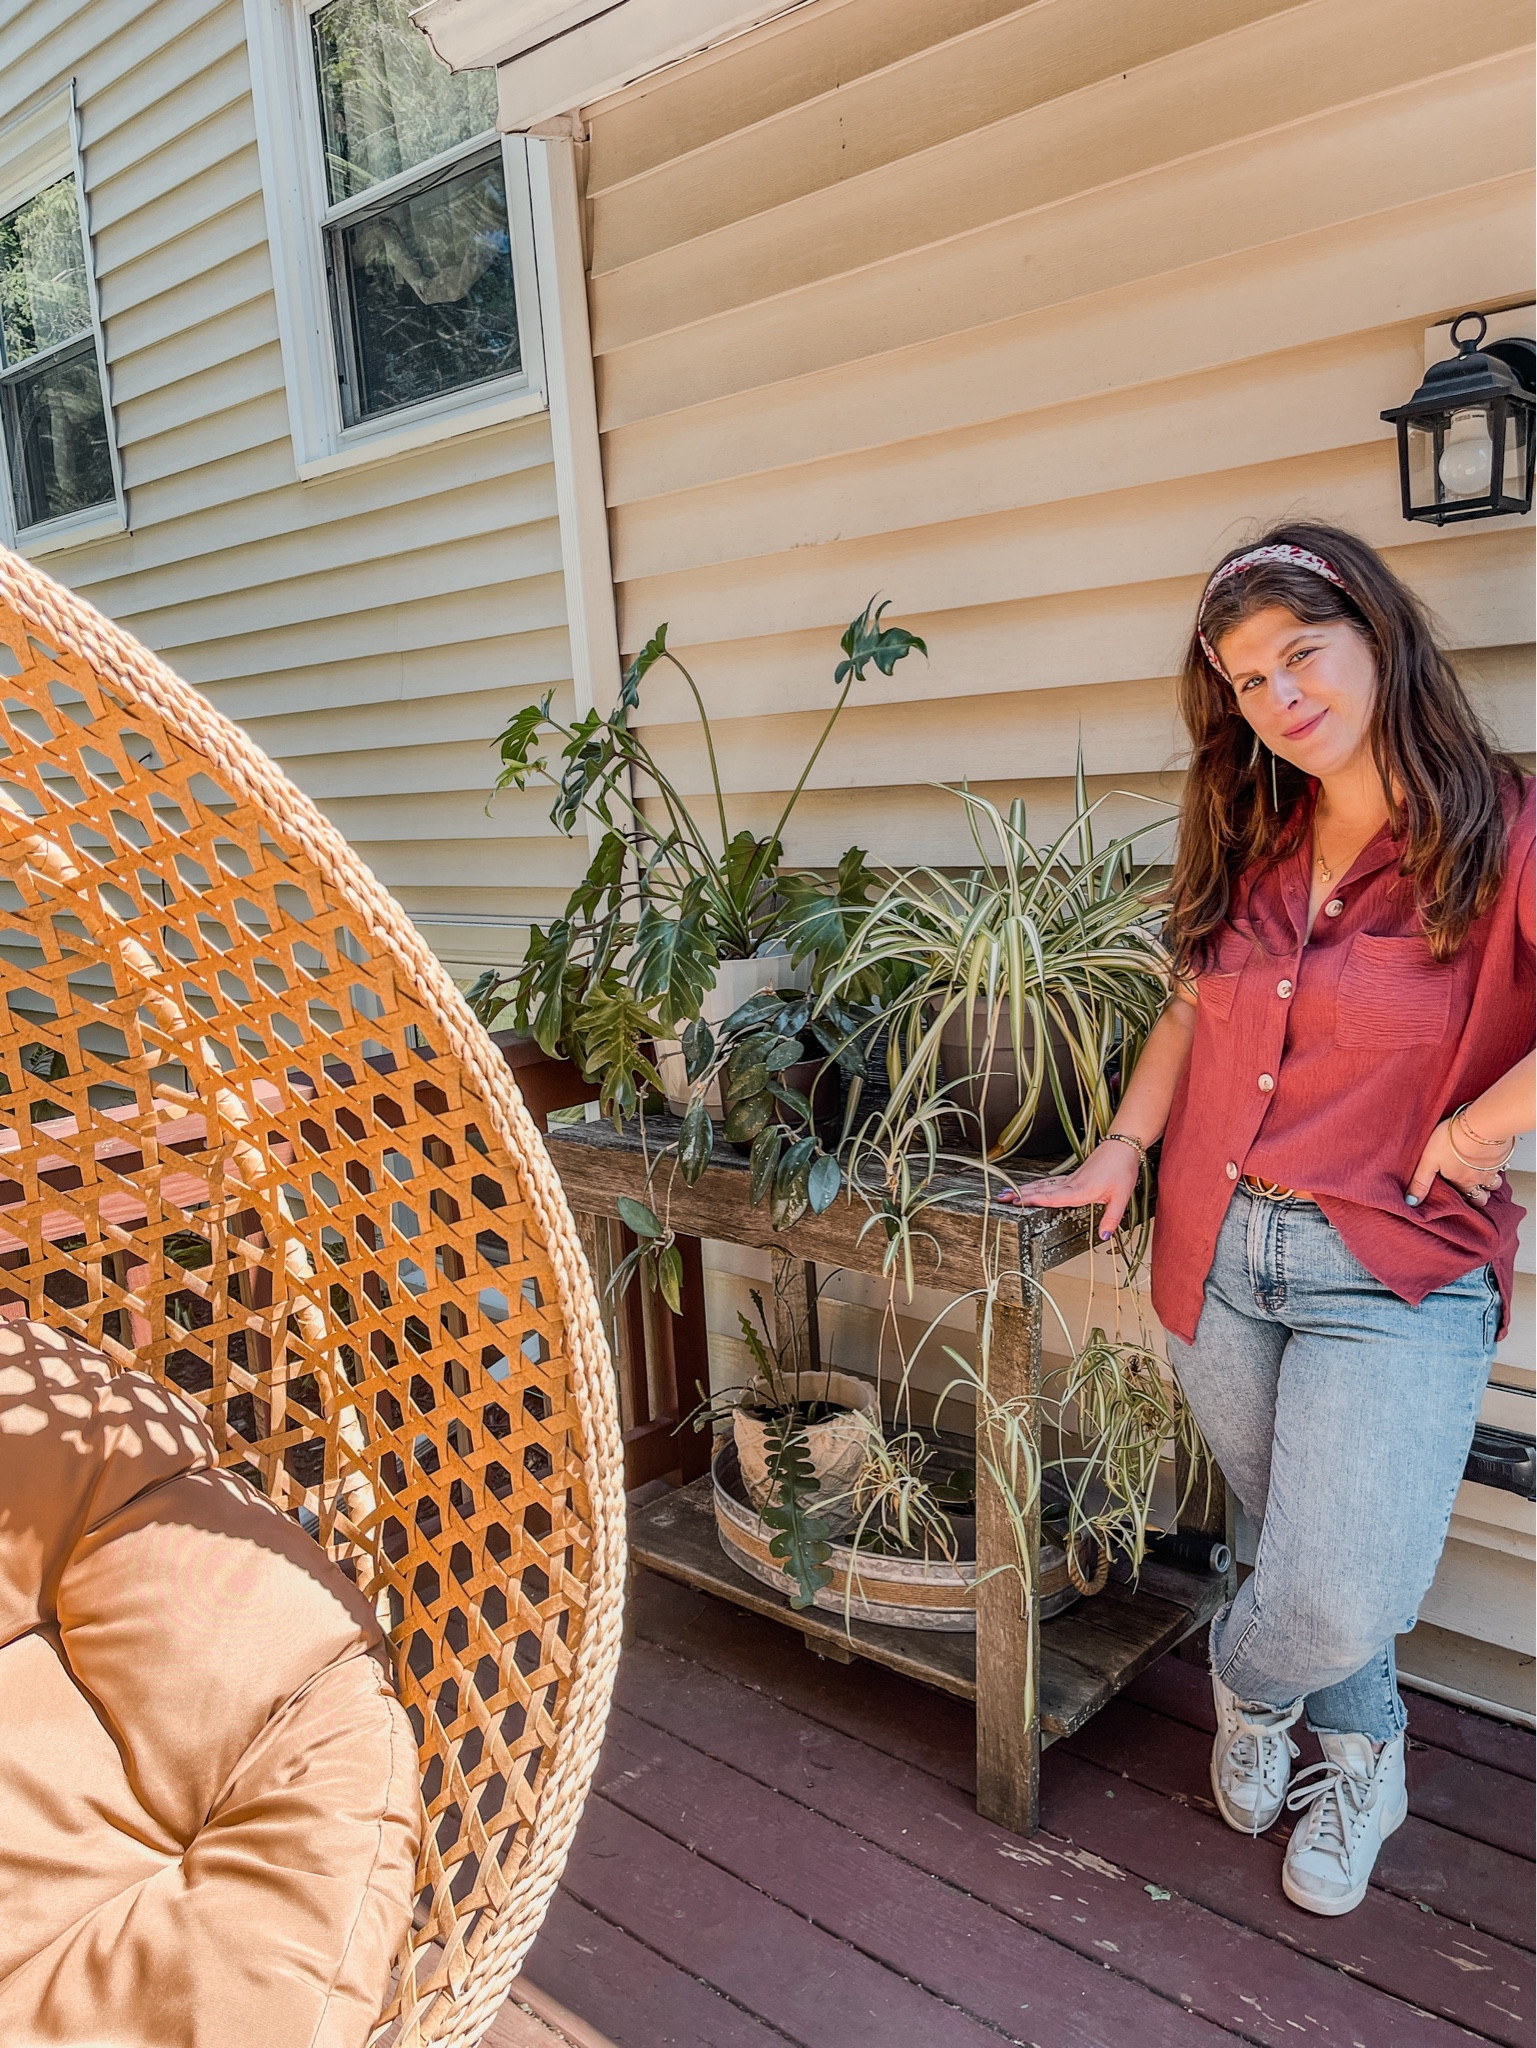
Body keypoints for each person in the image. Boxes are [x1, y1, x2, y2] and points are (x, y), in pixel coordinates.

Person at [1017, 521, 1534, 1918]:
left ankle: (1246, 1688)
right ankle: (1363, 1752)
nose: (1278, 696)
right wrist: (1123, 1145)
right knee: (1292, 1534)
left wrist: (1485, 1126)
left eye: (1300, 654)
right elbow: (1190, 1008)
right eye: (1246, 679)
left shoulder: (1503, 826)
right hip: (1215, 1247)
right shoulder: (1252, 836)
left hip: (1390, 1266)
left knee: (1338, 1586)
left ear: (1378, 636)